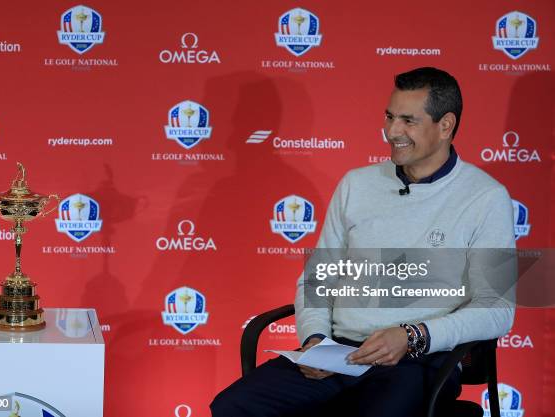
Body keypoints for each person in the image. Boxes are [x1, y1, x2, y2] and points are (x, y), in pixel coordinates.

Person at [210, 67, 516, 417]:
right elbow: (317, 279)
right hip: (337, 356)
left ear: (445, 125)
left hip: (417, 363)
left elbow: (497, 310)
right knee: (233, 406)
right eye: (389, 117)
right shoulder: (356, 184)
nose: (391, 132)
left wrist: (412, 335)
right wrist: (314, 341)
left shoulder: (486, 198)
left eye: (407, 121)